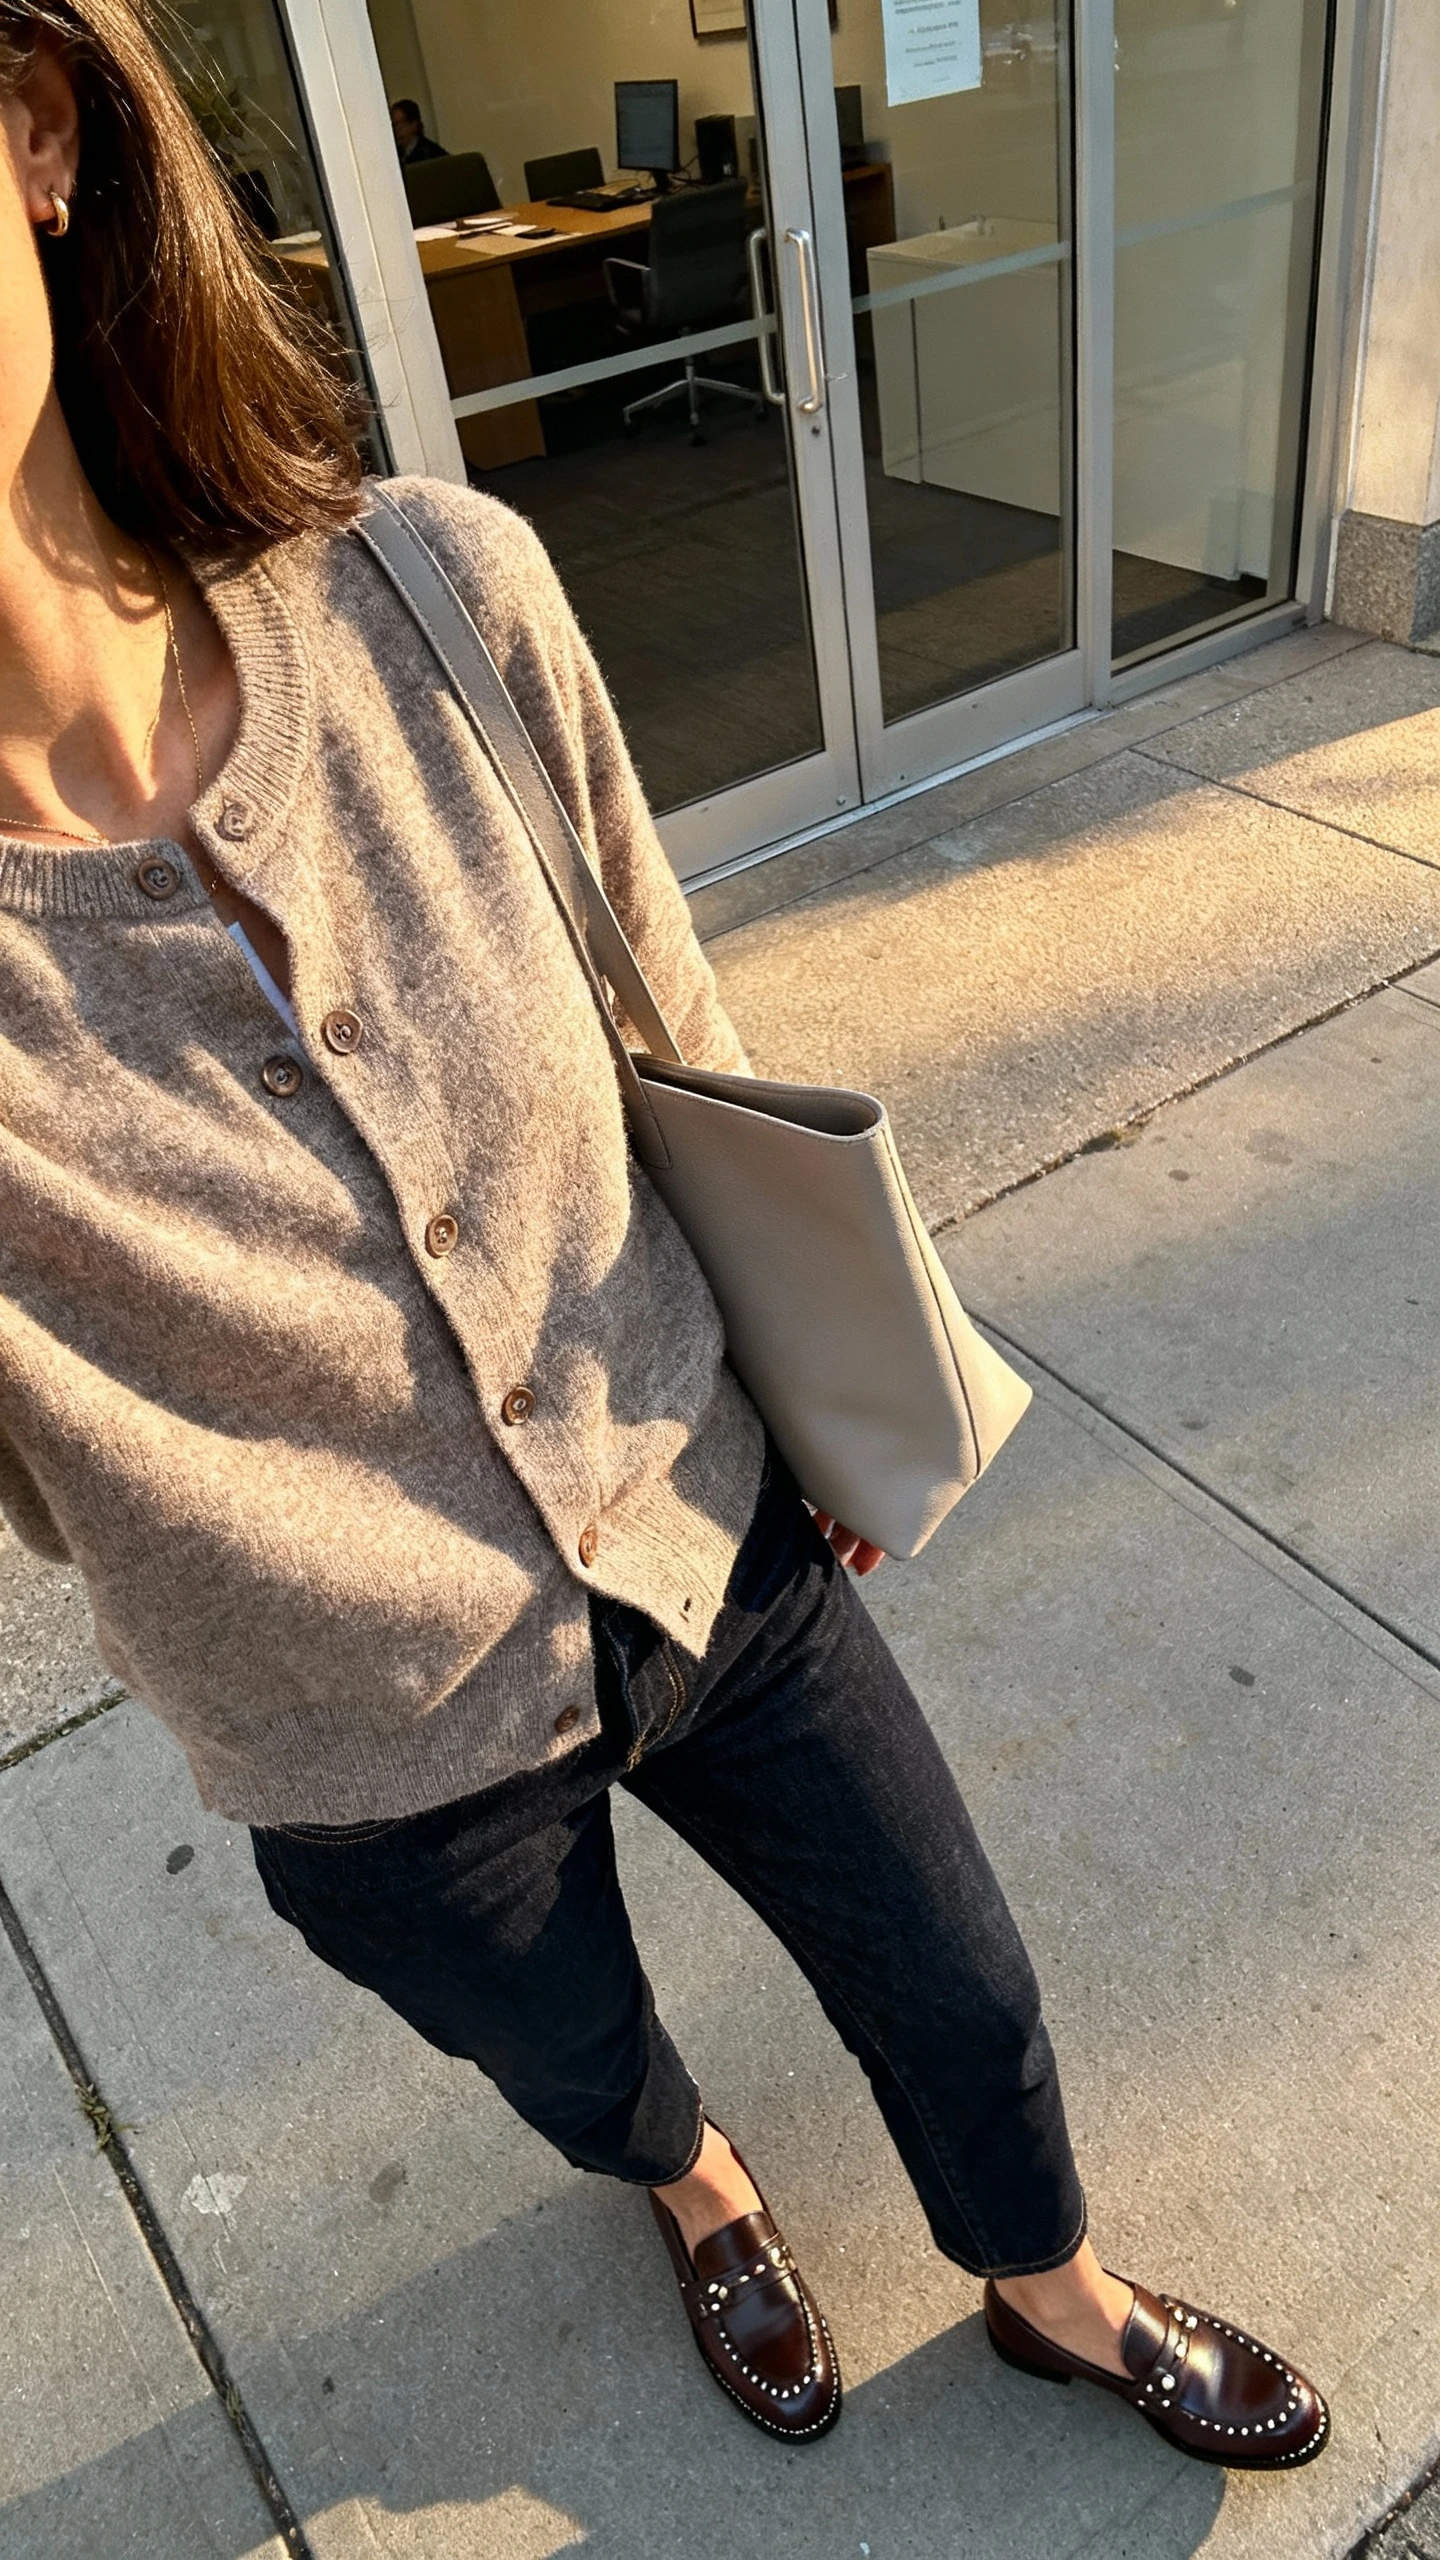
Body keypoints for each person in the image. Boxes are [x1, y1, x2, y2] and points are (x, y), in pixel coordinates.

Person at [0, 0, 1329, 2477]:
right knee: (568, 2046)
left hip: (694, 1508)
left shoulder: (433, 596)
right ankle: (695, 2186)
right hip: (352, 1729)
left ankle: (1044, 2278)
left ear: (40, 136)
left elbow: (667, 1037)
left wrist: (808, 1378)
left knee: (952, 1969)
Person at [389, 95, 445, 164]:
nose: (396, 130)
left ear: (414, 125)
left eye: (399, 124)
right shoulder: (393, 154)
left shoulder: (432, 153)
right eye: (393, 125)